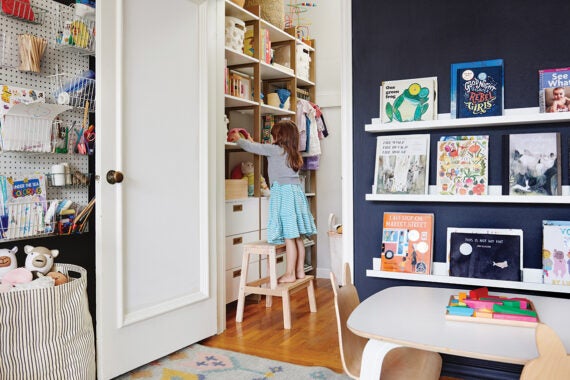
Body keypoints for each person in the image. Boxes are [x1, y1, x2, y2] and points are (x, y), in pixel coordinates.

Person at [228, 120, 317, 283]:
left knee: (290, 236)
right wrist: (253, 141)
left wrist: (238, 139)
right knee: (297, 237)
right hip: (296, 193)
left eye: (274, 136)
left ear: (279, 137)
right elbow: (260, 146)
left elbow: (254, 148)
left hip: (284, 193)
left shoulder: (275, 150)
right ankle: (299, 271)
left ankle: (289, 273)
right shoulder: (293, 153)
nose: (272, 139)